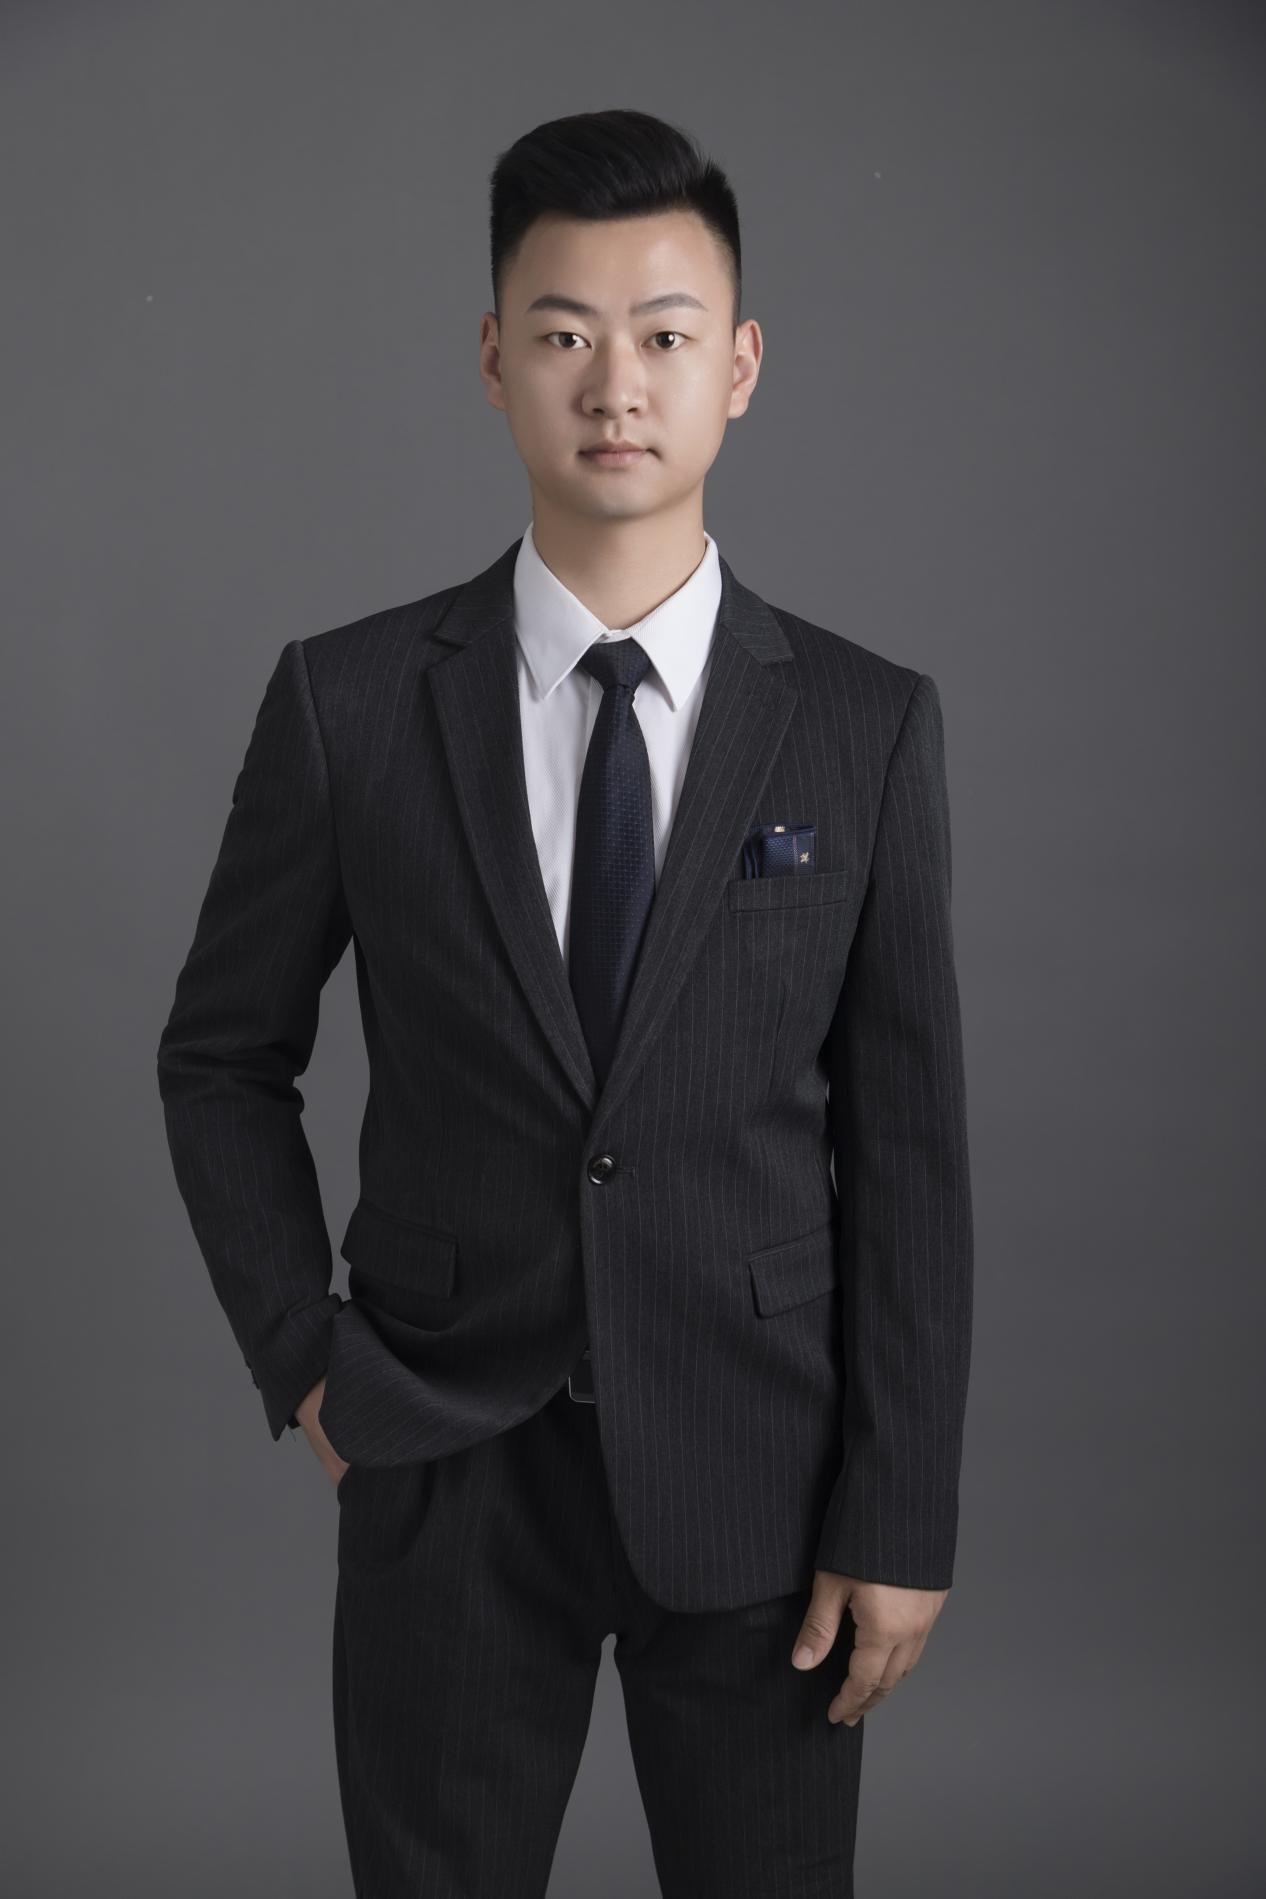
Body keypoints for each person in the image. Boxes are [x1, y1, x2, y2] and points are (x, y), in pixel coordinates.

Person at [157, 105, 973, 1899]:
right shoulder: (351, 702)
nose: (616, 383)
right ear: (493, 360)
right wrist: (306, 1354)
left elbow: (910, 1150)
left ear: (736, 366)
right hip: (444, 1450)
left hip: (764, 1474)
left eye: (664, 334)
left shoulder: (862, 725)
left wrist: (901, 1509)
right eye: (563, 334)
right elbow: (218, 1056)